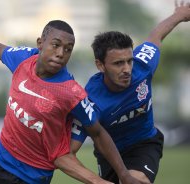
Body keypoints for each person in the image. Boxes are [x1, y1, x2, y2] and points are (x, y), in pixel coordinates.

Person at [0, 20, 144, 184]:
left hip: (32, 177)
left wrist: (123, 173)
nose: (61, 53)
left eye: (68, 49)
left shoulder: (71, 93)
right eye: (56, 45)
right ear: (41, 44)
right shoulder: (24, 59)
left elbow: (97, 132)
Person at [71, 1, 190, 184]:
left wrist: (179, 15)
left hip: (144, 143)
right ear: (100, 65)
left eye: (129, 60)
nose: (127, 69)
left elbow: (156, 35)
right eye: (118, 63)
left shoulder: (143, 66)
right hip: (109, 155)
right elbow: (70, 150)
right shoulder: (90, 101)